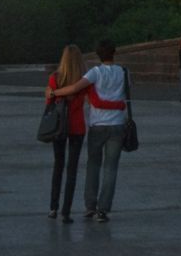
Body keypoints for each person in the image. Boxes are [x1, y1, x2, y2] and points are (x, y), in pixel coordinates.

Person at [47, 39, 128, 222]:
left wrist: (54, 93)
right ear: (114, 53)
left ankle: (88, 206)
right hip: (116, 125)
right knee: (111, 169)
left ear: (98, 55)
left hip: (97, 125)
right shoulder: (124, 72)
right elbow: (125, 95)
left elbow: (77, 89)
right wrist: (119, 105)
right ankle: (103, 209)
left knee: (92, 165)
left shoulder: (95, 73)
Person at [43, 44, 88, 221]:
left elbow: (49, 103)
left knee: (58, 165)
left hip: (58, 126)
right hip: (77, 126)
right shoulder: (83, 80)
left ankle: (53, 207)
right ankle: (66, 211)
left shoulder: (54, 78)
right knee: (72, 169)